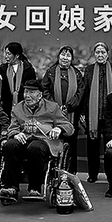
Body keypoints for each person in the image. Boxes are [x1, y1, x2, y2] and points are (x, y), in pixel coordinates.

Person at [0, 80, 74, 199]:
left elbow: (69, 127)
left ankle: (35, 188)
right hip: (24, 139)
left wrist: (58, 128)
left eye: (31, 92)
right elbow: (12, 127)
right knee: (10, 145)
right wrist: (15, 134)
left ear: (40, 95)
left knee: (34, 148)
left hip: (44, 140)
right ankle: (11, 187)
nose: (27, 96)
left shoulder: (52, 107)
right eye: (26, 92)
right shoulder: (17, 108)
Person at [81, 42, 112, 183]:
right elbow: (85, 92)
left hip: (111, 114)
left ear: (107, 54)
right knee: (92, 146)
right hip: (93, 114)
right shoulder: (89, 70)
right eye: (97, 52)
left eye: (103, 52)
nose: (100, 55)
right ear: (94, 54)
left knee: (111, 145)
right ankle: (93, 174)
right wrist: (83, 112)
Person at [41, 46, 84, 174]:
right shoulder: (51, 72)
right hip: (52, 114)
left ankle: (70, 173)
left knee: (71, 144)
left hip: (71, 114)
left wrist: (68, 107)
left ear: (72, 58)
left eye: (68, 55)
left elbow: (80, 93)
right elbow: (45, 90)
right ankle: (53, 172)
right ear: (58, 56)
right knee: (53, 140)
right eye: (63, 54)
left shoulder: (77, 73)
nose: (65, 58)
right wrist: (55, 107)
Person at [0, 42, 37, 116]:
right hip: (6, 108)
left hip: (25, 108)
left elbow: (33, 89)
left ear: (17, 55)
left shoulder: (28, 69)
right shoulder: (2, 70)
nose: (6, 57)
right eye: (5, 54)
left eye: (9, 54)